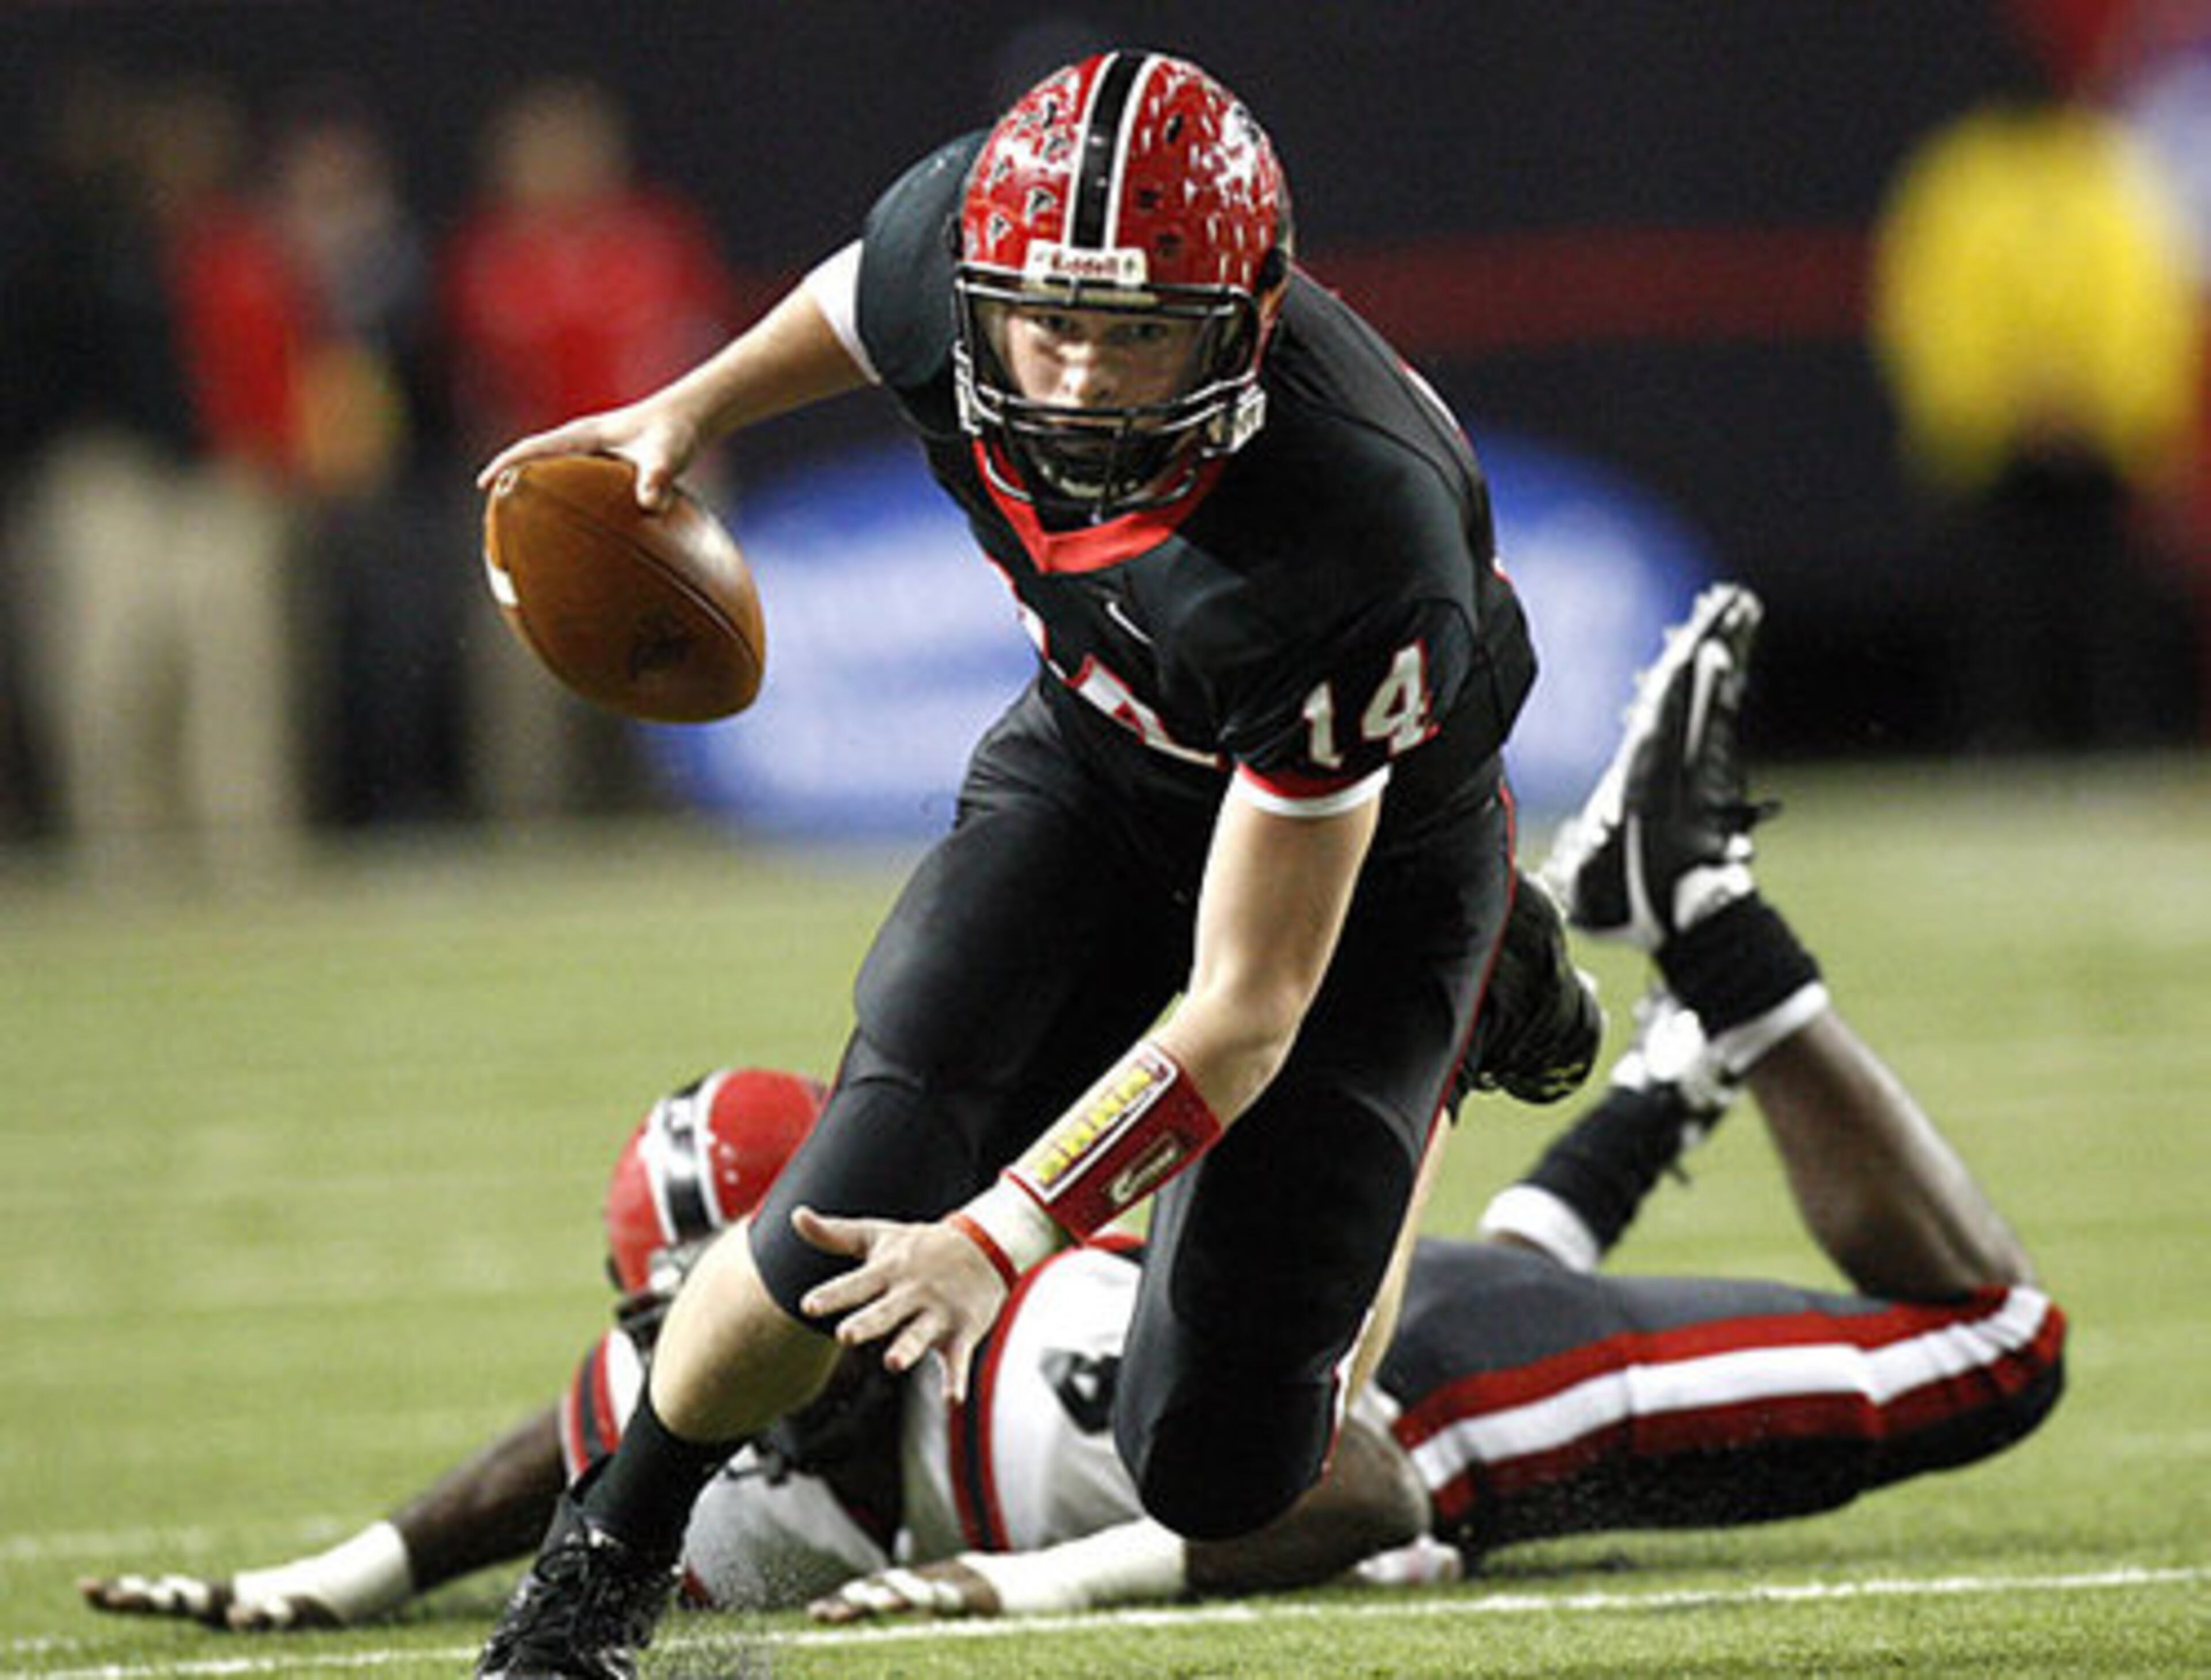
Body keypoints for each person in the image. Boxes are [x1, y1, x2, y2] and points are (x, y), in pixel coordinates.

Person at [80, 585, 2065, 1635]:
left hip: (1425, 1402)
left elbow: (1356, 1476)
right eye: (694, 1320)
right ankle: (1658, 1071)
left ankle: (1702, 927)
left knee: (1999, 1351)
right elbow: (569, 1445)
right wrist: (341, 1579)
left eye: (765, 1300)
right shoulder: (712, 1397)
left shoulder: (1023, 1377)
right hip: (1324, 1289)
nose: (740, 1363)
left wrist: (1019, 1584)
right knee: (1455, 1246)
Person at [469, 48, 1579, 1679]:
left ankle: (1471, 1004)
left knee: (1223, 1466)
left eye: (1140, 337)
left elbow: (1248, 1006)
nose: (1075, 378)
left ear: (1248, 323)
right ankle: (593, 1582)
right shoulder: (960, 249)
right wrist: (687, 410)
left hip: (1363, 874)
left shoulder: (1360, 534)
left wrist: (1001, 1237)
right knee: (835, 1207)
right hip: (1101, 766)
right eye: (1047, 325)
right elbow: (864, 299)